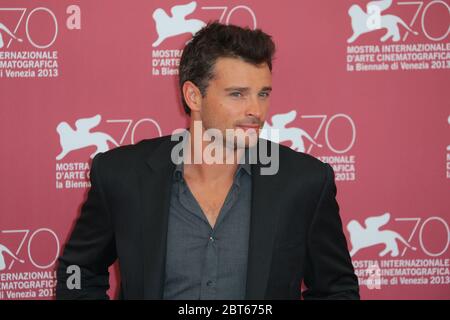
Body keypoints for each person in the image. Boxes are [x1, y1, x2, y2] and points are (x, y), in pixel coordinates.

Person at [56, 22, 359, 300]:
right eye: (238, 94)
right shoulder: (121, 175)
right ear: (193, 96)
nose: (256, 109)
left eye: (263, 93)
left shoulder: (304, 182)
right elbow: (77, 272)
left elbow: (337, 289)